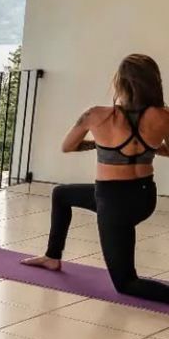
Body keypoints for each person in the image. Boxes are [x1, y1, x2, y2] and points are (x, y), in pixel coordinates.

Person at [22, 54, 169, 302]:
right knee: (62, 194)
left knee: (126, 284)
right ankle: (52, 257)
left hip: (113, 202)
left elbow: (68, 146)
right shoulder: (164, 116)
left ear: (120, 82)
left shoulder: (96, 115)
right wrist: (147, 146)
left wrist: (102, 145)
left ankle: (52, 258)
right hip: (144, 198)